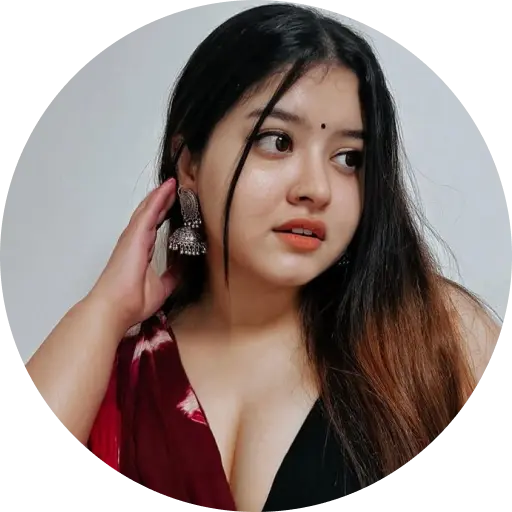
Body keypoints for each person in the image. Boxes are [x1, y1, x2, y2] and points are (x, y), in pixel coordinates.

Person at [24, 4, 502, 511]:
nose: (317, 188)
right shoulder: (116, 371)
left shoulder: (432, 337)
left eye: (348, 158)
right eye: (277, 142)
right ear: (189, 164)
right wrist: (103, 310)